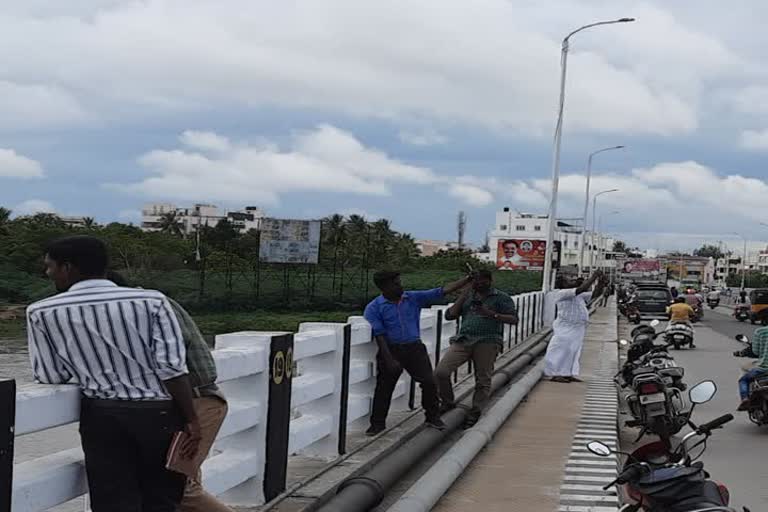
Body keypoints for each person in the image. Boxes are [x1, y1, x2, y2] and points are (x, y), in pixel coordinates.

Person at [26, 236, 201, 512]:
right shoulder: (152, 301)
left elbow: (50, 374)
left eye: (50, 266)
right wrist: (192, 419)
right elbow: (172, 368)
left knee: (112, 501)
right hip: (160, 414)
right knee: (162, 499)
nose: (48, 273)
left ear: (68, 268)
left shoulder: (42, 311)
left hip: (103, 417)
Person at [106, 272, 233, 512]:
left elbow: (172, 367)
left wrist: (190, 419)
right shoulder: (143, 306)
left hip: (196, 401)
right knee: (182, 483)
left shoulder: (150, 307)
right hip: (187, 403)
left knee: (179, 489)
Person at [363, 271, 471, 435]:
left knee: (429, 382)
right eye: (396, 283)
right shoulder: (374, 307)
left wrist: (467, 280)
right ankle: (377, 424)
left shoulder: (412, 298)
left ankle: (432, 417)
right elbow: (380, 335)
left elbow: (441, 291)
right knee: (384, 388)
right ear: (384, 286)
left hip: (415, 348)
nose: (400, 285)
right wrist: (390, 360)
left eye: (399, 282)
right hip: (391, 350)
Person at [435, 270, 518, 428]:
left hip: (488, 340)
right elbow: (450, 315)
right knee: (441, 372)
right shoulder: (468, 295)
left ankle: (476, 410)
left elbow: (514, 319)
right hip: (463, 340)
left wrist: (492, 315)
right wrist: (464, 294)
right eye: (475, 280)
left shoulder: (501, 297)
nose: (478, 283)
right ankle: (447, 401)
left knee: (483, 379)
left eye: (482, 280)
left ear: (489, 280)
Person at [544, 270, 605, 383]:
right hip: (566, 327)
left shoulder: (577, 295)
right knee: (561, 349)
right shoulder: (561, 293)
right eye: (568, 281)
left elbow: (595, 294)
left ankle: (567, 373)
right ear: (562, 284)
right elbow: (581, 289)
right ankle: (555, 373)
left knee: (573, 351)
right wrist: (593, 277)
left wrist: (600, 282)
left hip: (577, 327)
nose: (572, 281)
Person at [738, 327, 768, 411]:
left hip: (764, 368)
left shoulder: (760, 331)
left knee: (743, 379)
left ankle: (745, 398)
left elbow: (756, 352)